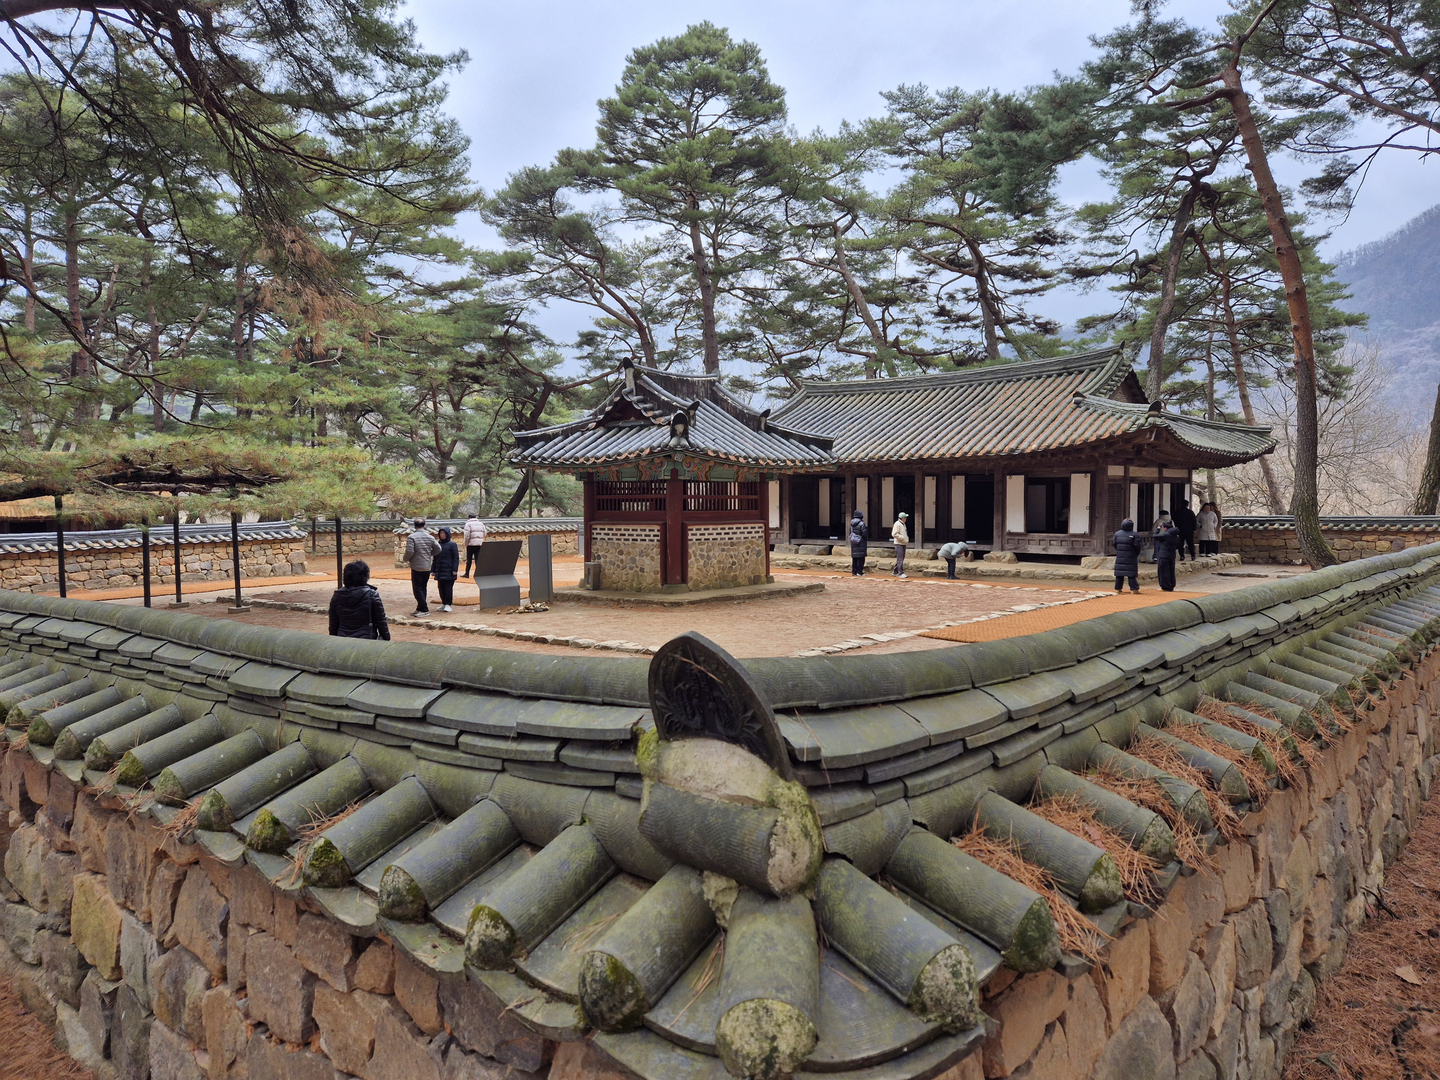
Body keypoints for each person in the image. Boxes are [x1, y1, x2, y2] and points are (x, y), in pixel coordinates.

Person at [327, 560, 391, 640]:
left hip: (343, 641)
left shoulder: (337, 596)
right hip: (367, 641)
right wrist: (386, 639)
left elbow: (333, 625)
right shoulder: (371, 595)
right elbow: (381, 622)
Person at [402, 518, 439, 617]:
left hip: (416, 566)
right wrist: (430, 554)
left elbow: (410, 552)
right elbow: (439, 548)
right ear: (424, 525)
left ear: (414, 526)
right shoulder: (430, 537)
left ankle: (424, 608)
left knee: (417, 588)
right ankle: (420, 607)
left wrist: (405, 559)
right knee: (423, 587)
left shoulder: (412, 537)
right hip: (427, 565)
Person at [433, 527, 460, 613]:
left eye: (444, 533)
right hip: (440, 569)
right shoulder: (437, 544)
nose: (442, 535)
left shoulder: (452, 545)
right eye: (441, 533)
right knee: (440, 587)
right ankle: (444, 603)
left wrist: (454, 569)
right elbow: (435, 558)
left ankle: (448, 604)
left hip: (449, 569)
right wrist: (433, 569)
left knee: (448, 588)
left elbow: (456, 558)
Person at [1152, 513, 1181, 592]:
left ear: (1165, 528)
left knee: (1163, 571)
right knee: (1171, 570)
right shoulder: (1176, 536)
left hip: (1164, 555)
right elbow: (1178, 546)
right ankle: (1171, 585)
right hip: (1172, 554)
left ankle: (1165, 586)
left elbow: (1154, 536)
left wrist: (1158, 528)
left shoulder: (1166, 535)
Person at [1113, 518, 1141, 593]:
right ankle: (1134, 589)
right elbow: (1137, 546)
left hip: (1120, 555)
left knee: (1119, 573)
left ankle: (1118, 589)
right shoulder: (1135, 535)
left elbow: (1114, 544)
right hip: (1131, 555)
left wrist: (1119, 550)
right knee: (1131, 573)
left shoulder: (1117, 534)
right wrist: (1136, 553)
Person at [461, 513, 487, 578]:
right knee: (477, 559)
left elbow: (467, 535)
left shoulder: (468, 524)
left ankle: (467, 573)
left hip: (471, 544)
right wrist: (481, 539)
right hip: (479, 544)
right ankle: (479, 573)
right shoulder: (481, 524)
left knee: (469, 559)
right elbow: (485, 532)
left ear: (469, 518)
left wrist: (466, 543)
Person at [848, 509, 868, 576]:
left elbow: (850, 532)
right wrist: (865, 539)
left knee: (855, 557)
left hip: (854, 541)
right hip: (861, 541)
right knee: (861, 557)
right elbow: (864, 533)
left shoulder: (851, 523)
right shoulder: (862, 523)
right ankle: (859, 572)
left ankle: (854, 572)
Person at [891, 511, 910, 579]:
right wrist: (901, 538)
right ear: (902, 518)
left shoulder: (902, 524)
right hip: (899, 543)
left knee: (900, 558)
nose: (906, 519)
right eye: (905, 517)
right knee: (900, 559)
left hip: (902, 543)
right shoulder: (897, 524)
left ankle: (895, 571)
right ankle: (900, 572)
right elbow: (894, 534)